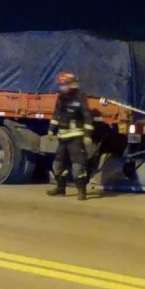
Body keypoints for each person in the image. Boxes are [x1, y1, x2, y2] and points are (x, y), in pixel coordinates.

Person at [47, 71, 94, 200]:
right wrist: (51, 129)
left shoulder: (80, 98)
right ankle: (60, 189)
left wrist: (88, 135)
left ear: (71, 84)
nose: (62, 87)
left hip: (76, 137)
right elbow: (56, 114)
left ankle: (81, 191)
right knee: (57, 164)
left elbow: (87, 117)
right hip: (62, 138)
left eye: (64, 84)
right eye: (60, 84)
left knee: (78, 166)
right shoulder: (61, 98)